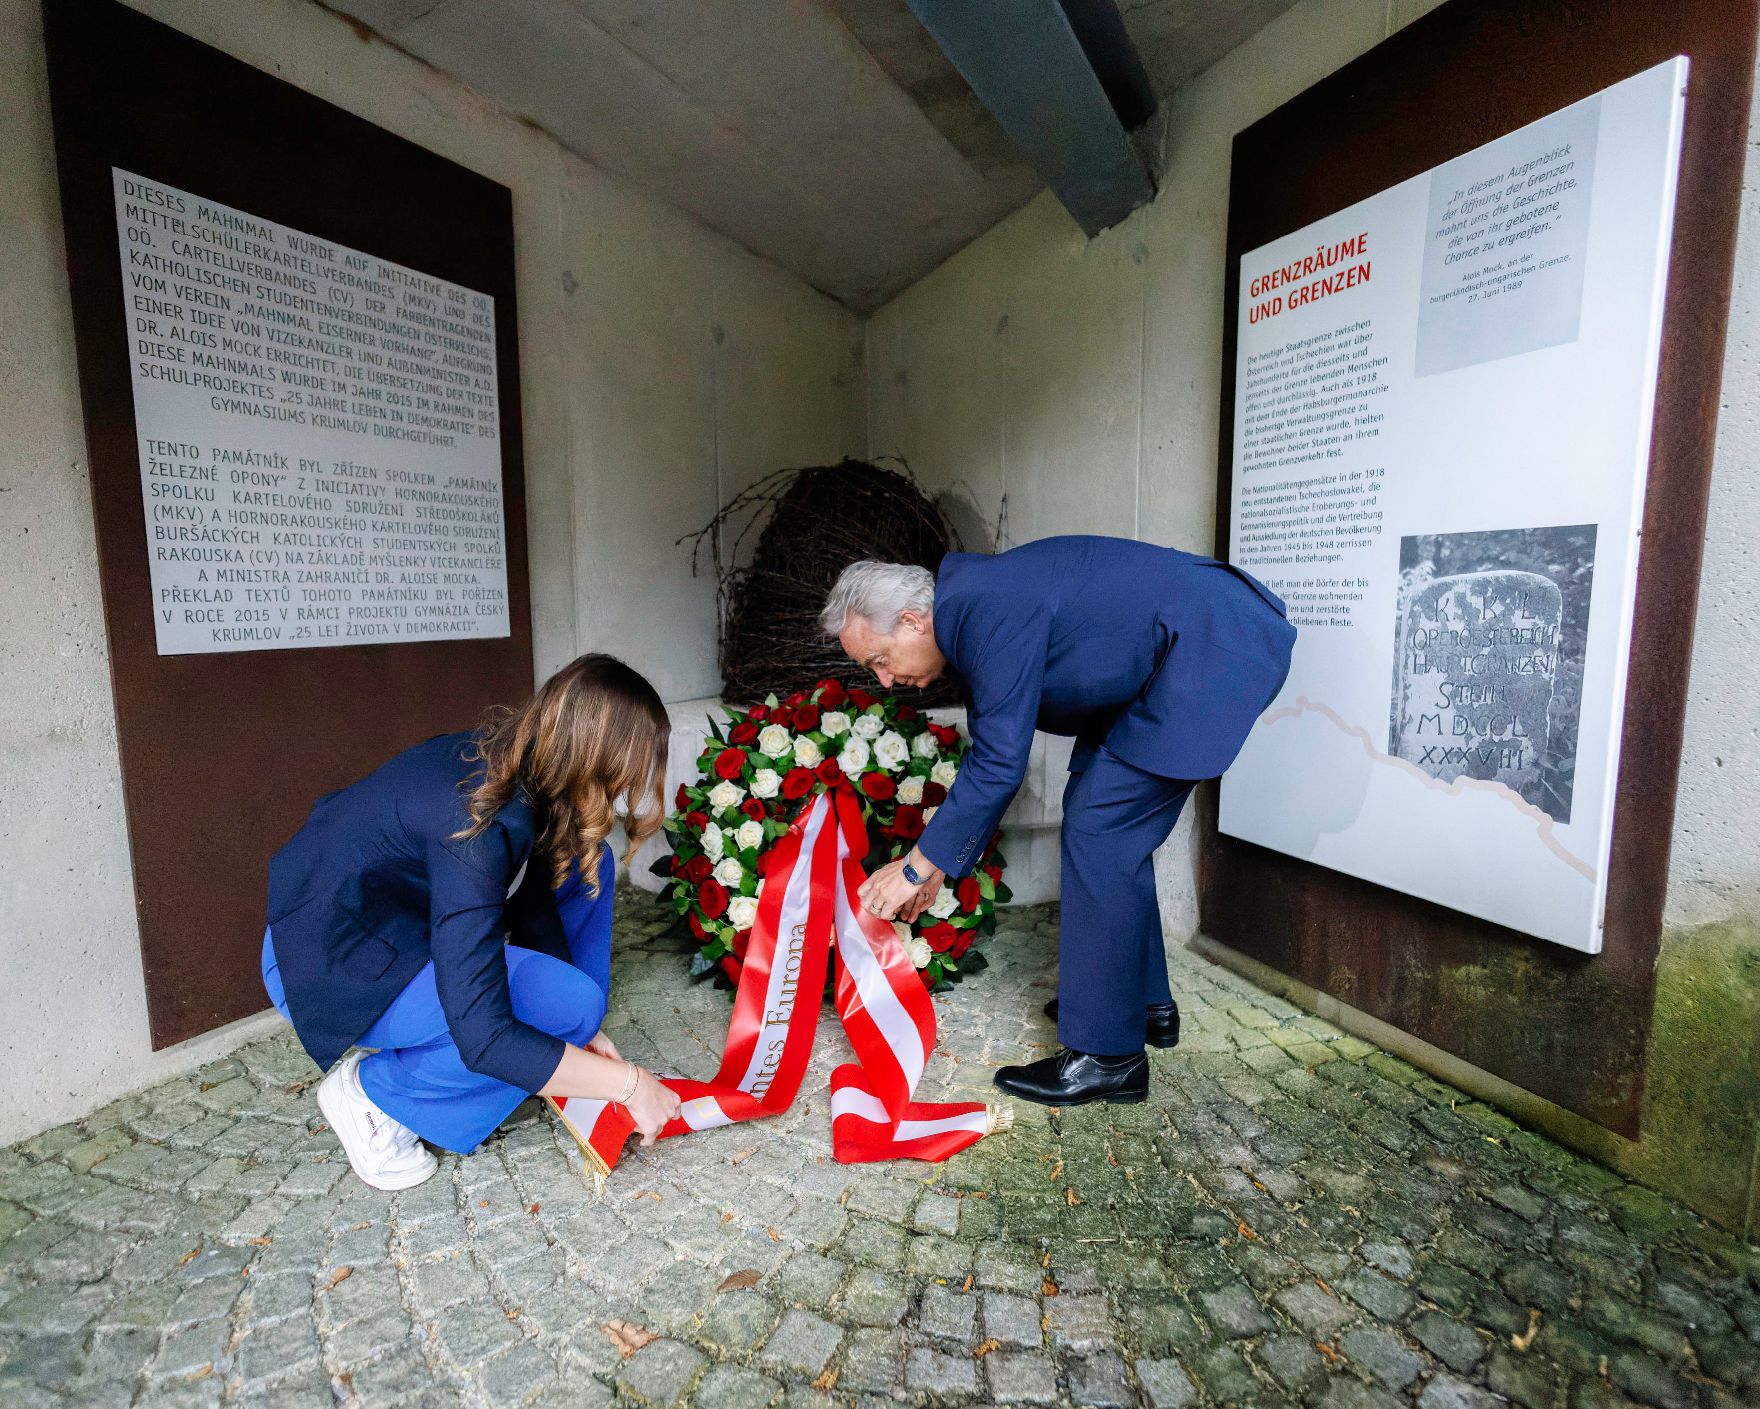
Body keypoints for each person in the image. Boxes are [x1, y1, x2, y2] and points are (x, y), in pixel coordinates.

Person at [822, 537, 1295, 1106]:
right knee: (1100, 824)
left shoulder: (982, 610)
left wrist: (919, 870)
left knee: (1102, 831)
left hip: (1213, 649)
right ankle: (1138, 1005)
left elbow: (999, 762)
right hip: (1174, 657)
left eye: (879, 659)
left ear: (911, 621)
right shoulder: (972, 601)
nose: (885, 680)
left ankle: (1109, 1056)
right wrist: (937, 865)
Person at [261, 653, 683, 1189]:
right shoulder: (478, 826)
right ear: (600, 759)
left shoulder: (520, 760)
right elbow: (483, 1035)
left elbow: (532, 895)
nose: (632, 787)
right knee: (551, 1014)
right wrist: (630, 1085)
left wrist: (578, 1032)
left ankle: (552, 1050)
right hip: (331, 961)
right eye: (632, 767)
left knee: (585, 874)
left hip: (394, 924)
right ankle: (375, 1097)